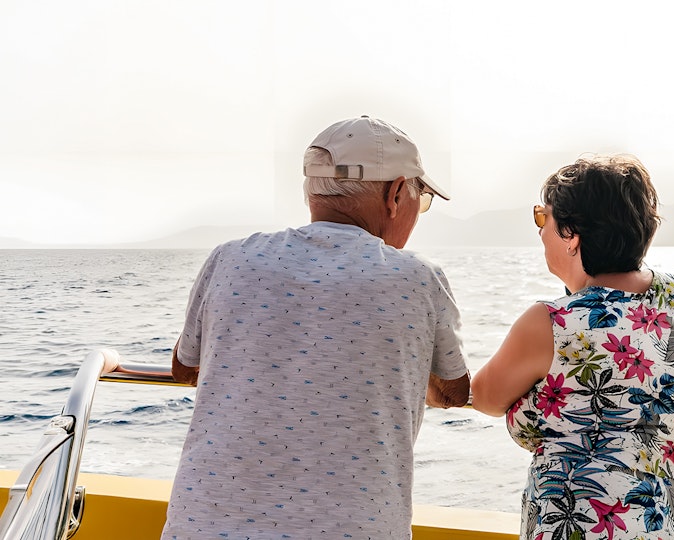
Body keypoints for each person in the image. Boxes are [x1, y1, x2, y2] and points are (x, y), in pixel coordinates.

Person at [162, 115, 471, 540]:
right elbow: (454, 392)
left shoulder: (229, 259)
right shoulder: (417, 277)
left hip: (202, 525)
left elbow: (185, 369)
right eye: (422, 197)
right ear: (397, 193)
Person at [470, 154, 674, 540]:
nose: (539, 230)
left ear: (572, 235)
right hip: (659, 526)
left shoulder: (551, 323)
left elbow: (484, 397)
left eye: (542, 217)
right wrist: (653, 386)